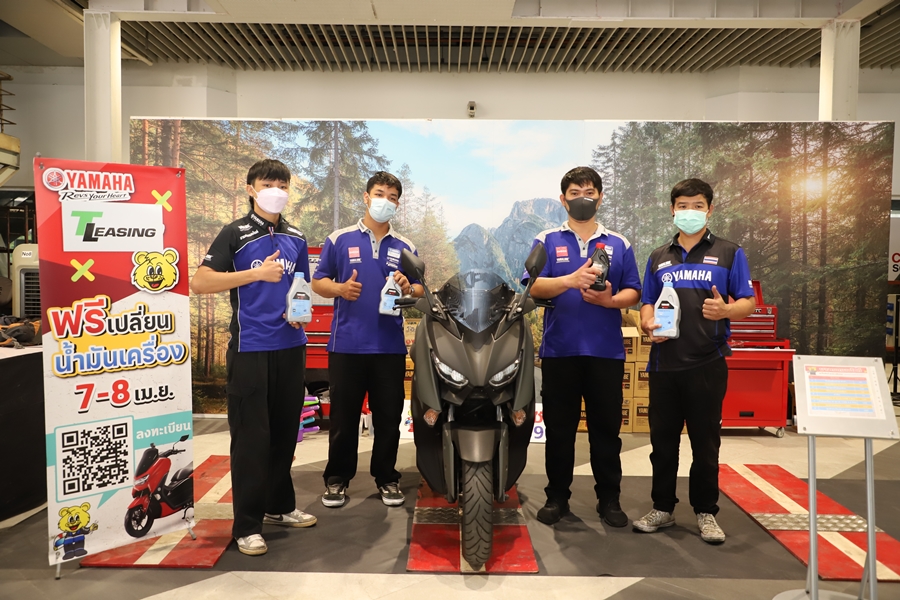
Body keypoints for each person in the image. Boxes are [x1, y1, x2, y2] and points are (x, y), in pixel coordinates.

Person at [190, 159, 317, 556]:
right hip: (250, 350)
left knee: (284, 433)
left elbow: (301, 286)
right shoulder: (235, 233)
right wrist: (254, 275)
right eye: (267, 184)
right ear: (251, 189)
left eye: (282, 184)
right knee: (251, 439)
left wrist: (299, 312)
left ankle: (279, 506)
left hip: (291, 347)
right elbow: (200, 282)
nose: (275, 190)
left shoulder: (296, 237)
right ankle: (247, 525)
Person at [634, 178, 756, 544]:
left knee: (705, 445)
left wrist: (727, 310)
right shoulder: (659, 256)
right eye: (683, 206)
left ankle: (706, 512)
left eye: (698, 205)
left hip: (707, 363)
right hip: (664, 364)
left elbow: (748, 302)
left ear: (710, 209)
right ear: (673, 210)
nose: (690, 212)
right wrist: (646, 323)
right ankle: (662, 508)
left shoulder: (730, 252)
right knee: (663, 444)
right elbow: (646, 303)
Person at [526, 166, 642, 527]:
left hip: (606, 352)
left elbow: (634, 291)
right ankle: (557, 497)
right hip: (559, 352)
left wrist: (611, 301)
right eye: (575, 193)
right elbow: (532, 287)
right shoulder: (546, 239)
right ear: (563, 200)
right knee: (559, 431)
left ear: (600, 198)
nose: (582, 199)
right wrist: (570, 280)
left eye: (589, 192)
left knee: (606, 431)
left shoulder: (619, 243)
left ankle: (609, 499)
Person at [312, 171, 424, 508]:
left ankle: (387, 478)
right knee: (343, 419)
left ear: (397, 204)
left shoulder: (406, 246)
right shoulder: (339, 239)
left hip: (389, 347)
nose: (384, 201)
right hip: (346, 345)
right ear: (365, 196)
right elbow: (318, 282)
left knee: (388, 419)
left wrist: (408, 287)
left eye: (392, 197)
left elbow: (419, 289)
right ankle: (337, 479)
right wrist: (340, 289)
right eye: (379, 193)